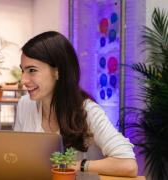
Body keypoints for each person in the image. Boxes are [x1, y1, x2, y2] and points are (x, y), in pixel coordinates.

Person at [14, 31, 138, 177]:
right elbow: (18, 158)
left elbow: (128, 164)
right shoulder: (25, 104)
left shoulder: (88, 111)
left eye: (32, 70)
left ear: (57, 71)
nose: (23, 80)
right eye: (23, 70)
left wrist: (73, 166)